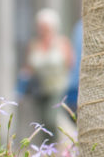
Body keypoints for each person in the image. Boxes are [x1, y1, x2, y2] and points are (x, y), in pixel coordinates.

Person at [22, 8, 74, 137]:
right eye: (39, 26)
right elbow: (30, 66)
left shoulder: (62, 42)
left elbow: (70, 63)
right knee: (41, 123)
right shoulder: (34, 44)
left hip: (58, 87)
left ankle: (56, 146)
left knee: (51, 118)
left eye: (44, 26)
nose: (41, 29)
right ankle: (47, 151)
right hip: (39, 89)